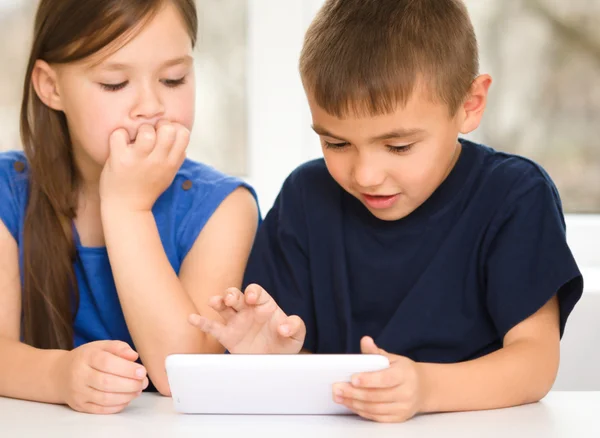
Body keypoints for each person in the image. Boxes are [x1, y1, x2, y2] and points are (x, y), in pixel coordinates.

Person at [190, 0, 583, 424]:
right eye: (336, 144)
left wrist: (425, 389)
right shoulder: (305, 198)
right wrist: (273, 357)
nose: (366, 175)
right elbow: (306, 378)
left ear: (470, 104)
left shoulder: (515, 196)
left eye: (398, 146)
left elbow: (535, 363)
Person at [0, 0, 258, 414]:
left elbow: (183, 374)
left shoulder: (225, 208)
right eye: (115, 83)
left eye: (174, 79)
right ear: (51, 87)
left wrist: (127, 209)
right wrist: (58, 375)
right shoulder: (8, 192)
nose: (152, 106)